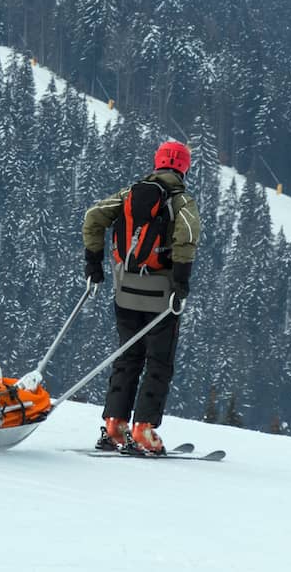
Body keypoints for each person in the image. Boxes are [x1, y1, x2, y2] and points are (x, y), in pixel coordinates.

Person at [81, 140, 200, 454]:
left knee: (127, 357)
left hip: (125, 292)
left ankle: (115, 426)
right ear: (184, 167)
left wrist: (93, 264)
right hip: (162, 298)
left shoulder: (129, 195)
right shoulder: (182, 202)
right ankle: (144, 430)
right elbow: (186, 239)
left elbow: (94, 216)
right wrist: (181, 284)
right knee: (158, 363)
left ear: (157, 162)